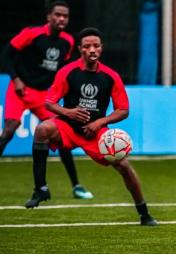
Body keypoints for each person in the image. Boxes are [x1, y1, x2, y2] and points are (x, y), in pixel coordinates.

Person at [24, 27, 157, 226]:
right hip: (67, 127)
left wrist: (100, 122)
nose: (92, 50)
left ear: (101, 49)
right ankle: (40, 189)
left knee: (124, 166)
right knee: (42, 129)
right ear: (80, 50)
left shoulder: (111, 76)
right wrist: (68, 112)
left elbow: (123, 110)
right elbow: (49, 102)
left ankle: (144, 214)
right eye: (87, 46)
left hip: (95, 133)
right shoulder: (67, 72)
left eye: (96, 46)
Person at [0, 0, 93, 199]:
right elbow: (6, 55)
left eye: (65, 16)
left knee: (61, 135)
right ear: (48, 17)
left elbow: (64, 69)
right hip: (21, 89)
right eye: (57, 15)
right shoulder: (32, 34)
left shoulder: (67, 41)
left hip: (43, 95)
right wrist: (16, 79)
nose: (61, 19)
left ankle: (76, 186)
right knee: (9, 130)